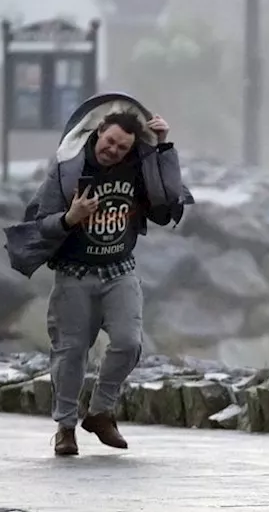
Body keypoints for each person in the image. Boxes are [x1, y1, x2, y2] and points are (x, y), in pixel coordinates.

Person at [28, 110, 183, 456]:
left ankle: (100, 412)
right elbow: (41, 224)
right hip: (73, 273)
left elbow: (167, 205)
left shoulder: (137, 169)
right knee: (70, 354)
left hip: (120, 270)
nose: (113, 150)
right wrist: (71, 217)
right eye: (110, 141)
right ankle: (65, 428)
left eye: (122, 147)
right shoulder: (68, 167)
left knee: (129, 343)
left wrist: (163, 145)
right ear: (98, 132)